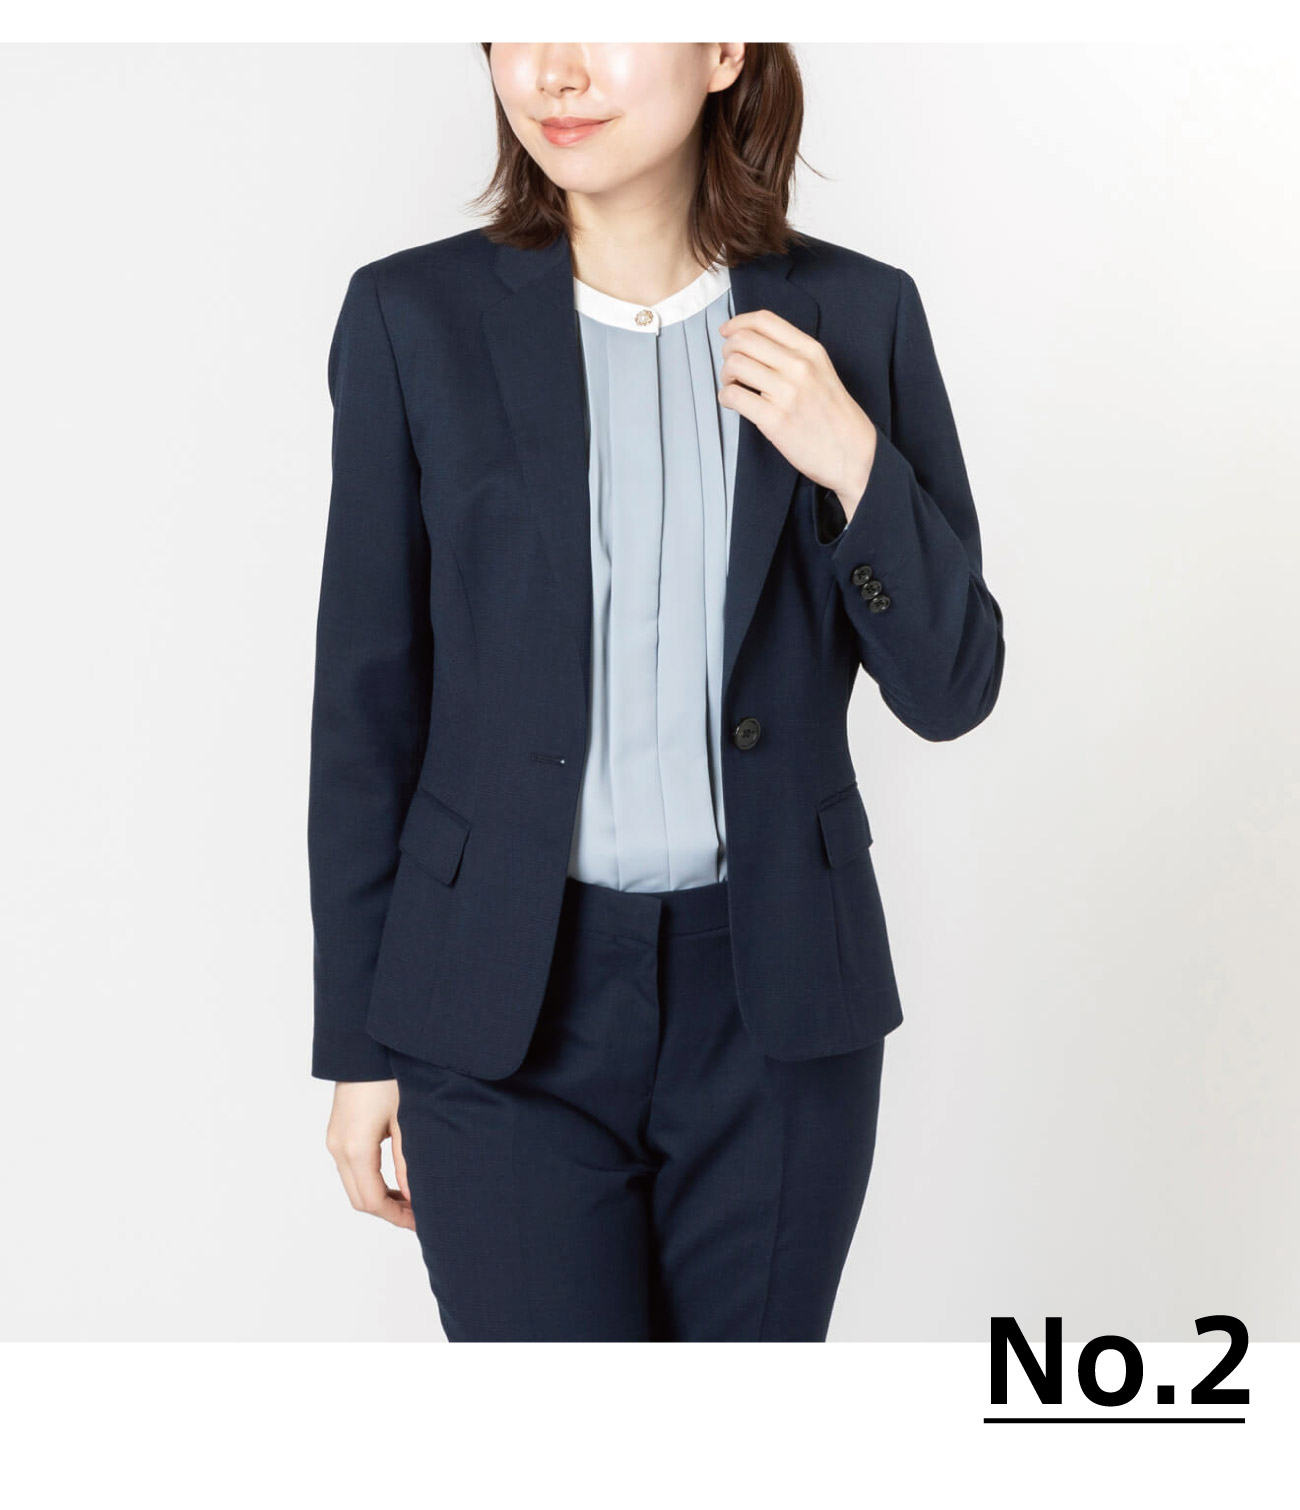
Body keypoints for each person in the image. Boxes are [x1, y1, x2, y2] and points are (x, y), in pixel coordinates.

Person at [310, 42, 1005, 1341]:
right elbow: (366, 706)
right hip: (497, 1005)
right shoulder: (414, 319)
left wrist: (853, 460)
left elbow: (954, 685)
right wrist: (356, 1041)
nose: (555, 70)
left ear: (724, 47)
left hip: (777, 1005)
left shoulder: (856, 315)